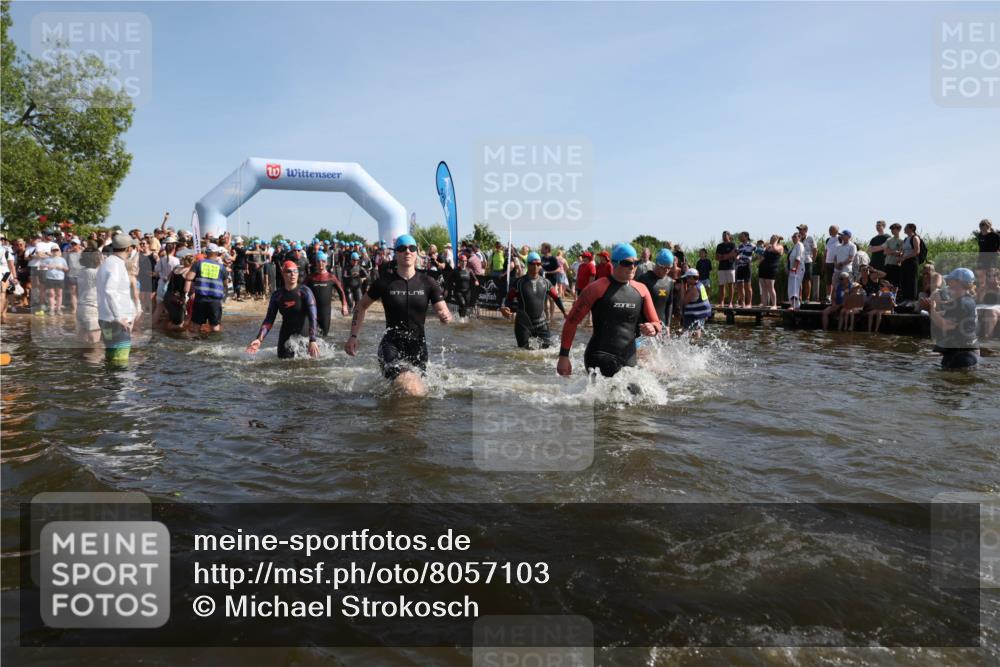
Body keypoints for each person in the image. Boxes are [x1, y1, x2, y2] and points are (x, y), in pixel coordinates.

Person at [344, 234, 451, 397]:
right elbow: (361, 305)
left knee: (419, 393)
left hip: (418, 347)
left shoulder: (428, 282)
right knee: (412, 388)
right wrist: (353, 336)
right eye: (402, 249)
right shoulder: (384, 282)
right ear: (396, 253)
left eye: (412, 248)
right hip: (391, 346)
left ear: (417, 253)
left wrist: (445, 317)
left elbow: (444, 311)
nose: (407, 252)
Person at [556, 243, 661, 378]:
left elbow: (656, 323)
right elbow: (571, 322)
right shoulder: (596, 288)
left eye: (636, 262)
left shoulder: (641, 290)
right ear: (615, 263)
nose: (632, 267)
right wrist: (564, 357)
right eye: (627, 263)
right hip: (599, 355)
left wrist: (653, 328)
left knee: (640, 396)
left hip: (628, 357)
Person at [246, 260, 320, 359]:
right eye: (289, 271)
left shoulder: (305, 292)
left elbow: (313, 317)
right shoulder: (277, 295)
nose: (293, 274)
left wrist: (313, 340)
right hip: (285, 337)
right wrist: (259, 339)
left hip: (305, 338)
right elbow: (269, 319)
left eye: (295, 271)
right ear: (283, 274)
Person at [501, 251, 566, 348]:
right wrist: (505, 307)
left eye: (538, 264)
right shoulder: (519, 283)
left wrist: (565, 313)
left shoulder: (546, 283)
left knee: (549, 351)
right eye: (533, 264)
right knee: (522, 353)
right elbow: (508, 298)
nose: (536, 266)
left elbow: (556, 298)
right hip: (523, 324)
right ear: (528, 264)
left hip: (541, 323)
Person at [96, 233, 138, 365]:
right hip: (117, 321)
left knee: (110, 356)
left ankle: (109, 385)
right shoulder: (116, 265)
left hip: (105, 318)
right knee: (121, 361)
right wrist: (118, 317)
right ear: (129, 249)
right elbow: (110, 290)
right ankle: (121, 385)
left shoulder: (107, 262)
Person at [927, 268, 978, 369]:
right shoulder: (966, 300)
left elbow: (944, 325)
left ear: (958, 283)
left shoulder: (962, 303)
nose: (948, 284)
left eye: (950, 280)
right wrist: (934, 308)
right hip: (964, 353)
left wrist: (931, 309)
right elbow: (945, 313)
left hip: (961, 356)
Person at [184, 243, 229, 333]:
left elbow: (189, 278)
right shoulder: (221, 267)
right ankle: (213, 345)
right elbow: (225, 284)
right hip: (215, 301)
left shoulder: (198, 263)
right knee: (215, 327)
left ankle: (195, 344)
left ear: (206, 253)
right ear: (216, 253)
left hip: (200, 299)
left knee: (195, 326)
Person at [304, 251, 349, 336]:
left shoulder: (331, 277)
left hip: (325, 312)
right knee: (311, 335)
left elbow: (341, 291)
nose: (321, 264)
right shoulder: (310, 277)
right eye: (318, 261)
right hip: (312, 310)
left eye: (323, 261)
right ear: (315, 263)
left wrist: (344, 305)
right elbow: (300, 292)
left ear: (327, 263)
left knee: (324, 335)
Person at [636, 248, 675, 334]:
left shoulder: (669, 282)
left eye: (669, 268)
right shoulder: (644, 279)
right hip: (645, 327)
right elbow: (636, 304)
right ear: (657, 264)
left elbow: (670, 304)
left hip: (661, 326)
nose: (666, 271)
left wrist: (668, 325)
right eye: (664, 268)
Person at [74, 247, 102, 343]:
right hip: (92, 309)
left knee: (82, 341)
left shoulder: (82, 271)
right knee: (95, 343)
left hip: (81, 308)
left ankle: (80, 357)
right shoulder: (95, 273)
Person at [162, 255, 194, 331]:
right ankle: (173, 339)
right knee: (178, 324)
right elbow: (186, 289)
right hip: (178, 299)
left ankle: (165, 335)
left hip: (168, 296)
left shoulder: (176, 268)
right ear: (192, 263)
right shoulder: (189, 271)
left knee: (170, 319)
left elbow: (166, 279)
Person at [681, 267, 712, 339]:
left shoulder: (694, 289)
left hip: (697, 314)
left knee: (688, 332)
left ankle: (692, 343)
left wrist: (682, 286)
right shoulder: (700, 285)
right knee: (698, 328)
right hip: (702, 313)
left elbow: (683, 302)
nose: (686, 280)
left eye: (687, 278)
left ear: (691, 278)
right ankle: (696, 343)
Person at [446, 253, 478, 319]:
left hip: (467, 292)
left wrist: (476, 281)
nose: (464, 262)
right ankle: (462, 320)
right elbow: (448, 280)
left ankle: (460, 318)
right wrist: (446, 289)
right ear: (459, 262)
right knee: (463, 304)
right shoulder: (455, 271)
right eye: (462, 261)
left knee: (465, 306)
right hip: (458, 291)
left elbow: (475, 279)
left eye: (465, 261)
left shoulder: (469, 270)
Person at [757, 235, 784, 309]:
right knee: (763, 287)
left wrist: (776, 241)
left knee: (770, 287)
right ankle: (764, 304)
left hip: (771, 268)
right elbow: (763, 256)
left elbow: (775, 249)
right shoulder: (768, 247)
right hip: (763, 268)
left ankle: (774, 305)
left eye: (773, 238)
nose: (771, 239)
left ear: (776, 240)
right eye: (771, 238)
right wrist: (759, 263)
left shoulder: (780, 247)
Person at [898, 223, 922, 302]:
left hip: (912, 262)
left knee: (911, 281)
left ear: (911, 229)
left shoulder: (915, 238)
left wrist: (905, 257)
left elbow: (917, 251)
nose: (904, 229)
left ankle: (912, 300)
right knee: (904, 280)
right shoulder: (906, 239)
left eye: (906, 227)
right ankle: (905, 299)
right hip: (905, 262)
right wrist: (901, 256)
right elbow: (904, 251)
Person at [715, 231, 737, 307]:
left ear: (729, 236)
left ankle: (730, 302)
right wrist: (727, 256)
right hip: (721, 268)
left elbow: (733, 254)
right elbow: (716, 257)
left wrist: (723, 256)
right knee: (721, 285)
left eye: (725, 235)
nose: (724, 237)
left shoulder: (732, 244)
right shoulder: (719, 246)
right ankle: (722, 302)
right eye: (723, 235)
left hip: (730, 267)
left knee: (730, 285)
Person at [797, 224, 817, 302]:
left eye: (801, 229)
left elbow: (815, 250)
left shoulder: (810, 238)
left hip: (808, 261)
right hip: (799, 262)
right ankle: (799, 297)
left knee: (807, 280)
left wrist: (813, 260)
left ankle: (807, 298)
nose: (800, 231)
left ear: (806, 230)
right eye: (799, 229)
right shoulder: (798, 238)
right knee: (799, 280)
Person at [734, 232, 755, 307]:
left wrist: (752, 259)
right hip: (740, 267)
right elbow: (737, 254)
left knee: (748, 286)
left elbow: (759, 253)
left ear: (746, 237)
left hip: (747, 266)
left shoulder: (752, 245)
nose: (740, 237)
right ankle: (742, 303)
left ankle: (749, 303)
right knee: (740, 285)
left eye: (742, 236)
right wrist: (737, 257)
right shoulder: (739, 246)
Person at [786, 232, 805, 310]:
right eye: (792, 237)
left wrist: (795, 267)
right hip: (792, 269)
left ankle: (795, 306)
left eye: (795, 237)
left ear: (799, 237)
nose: (793, 238)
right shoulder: (794, 246)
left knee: (794, 287)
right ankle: (793, 304)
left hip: (797, 269)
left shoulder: (799, 245)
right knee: (791, 287)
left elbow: (798, 257)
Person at [822, 225, 841, 304]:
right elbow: (825, 252)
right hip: (828, 263)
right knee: (828, 281)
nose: (829, 231)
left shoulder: (840, 238)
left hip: (836, 263)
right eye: (829, 229)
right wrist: (823, 264)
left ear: (836, 231)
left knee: (836, 281)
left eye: (831, 229)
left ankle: (837, 297)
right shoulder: (828, 240)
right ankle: (828, 297)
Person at [884, 223, 904, 287]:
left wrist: (891, 251)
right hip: (887, 264)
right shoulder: (888, 240)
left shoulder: (902, 241)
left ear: (899, 229)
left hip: (896, 265)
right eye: (891, 229)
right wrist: (895, 251)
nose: (892, 231)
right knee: (886, 283)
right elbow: (885, 252)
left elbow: (901, 253)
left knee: (895, 284)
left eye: (893, 229)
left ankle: (895, 296)